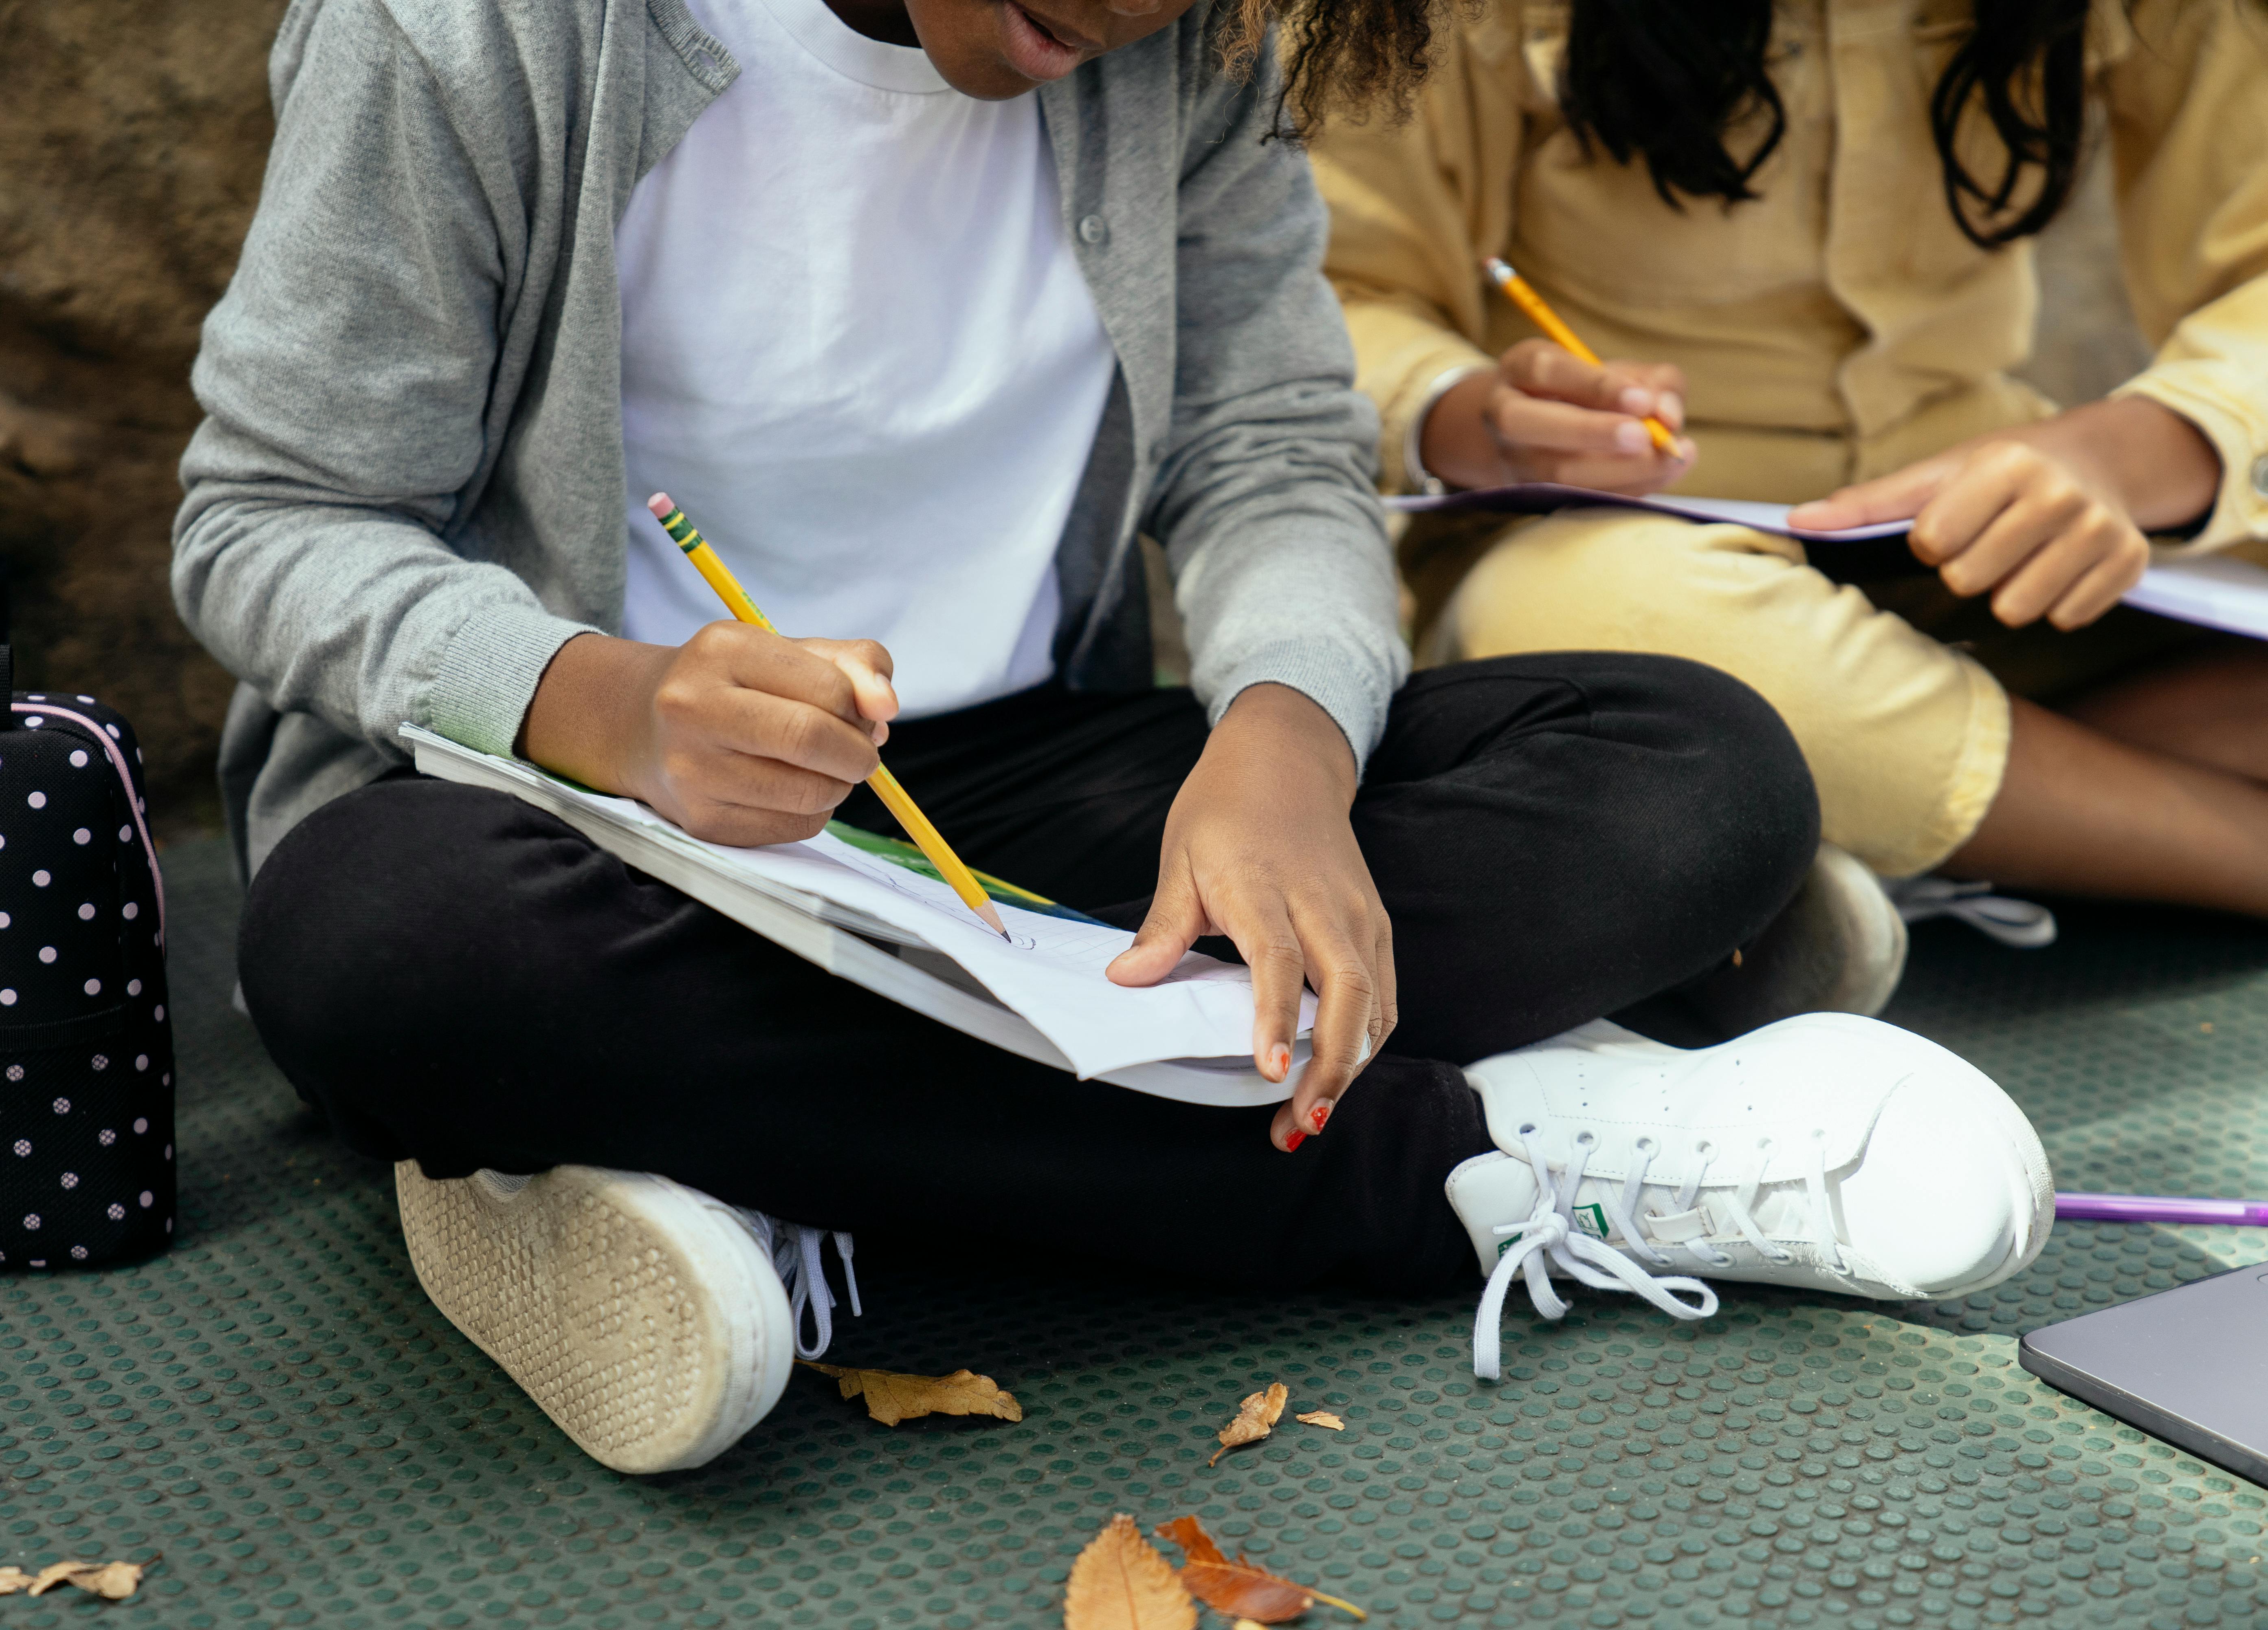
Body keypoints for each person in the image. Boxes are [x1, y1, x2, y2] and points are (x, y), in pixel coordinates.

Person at [174, 0, 2051, 1474]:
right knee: (382, 948)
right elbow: (265, 520)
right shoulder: (465, 25)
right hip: (584, 823)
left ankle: (720, 1155)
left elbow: (1270, 450)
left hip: (1015, 799)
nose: (1143, 5)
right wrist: (607, 700)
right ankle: (1476, 1150)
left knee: (1693, 769)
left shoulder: (1198, 42)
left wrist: (1286, 751)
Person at [1314, 0, 2268, 917]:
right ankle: (2229, 853)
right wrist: (1470, 411)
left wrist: (2136, 447)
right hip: (1626, 543)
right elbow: (1324, 292)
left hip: (1984, 526)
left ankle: (1833, 841)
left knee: (1700, 742)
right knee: (1628, 635)